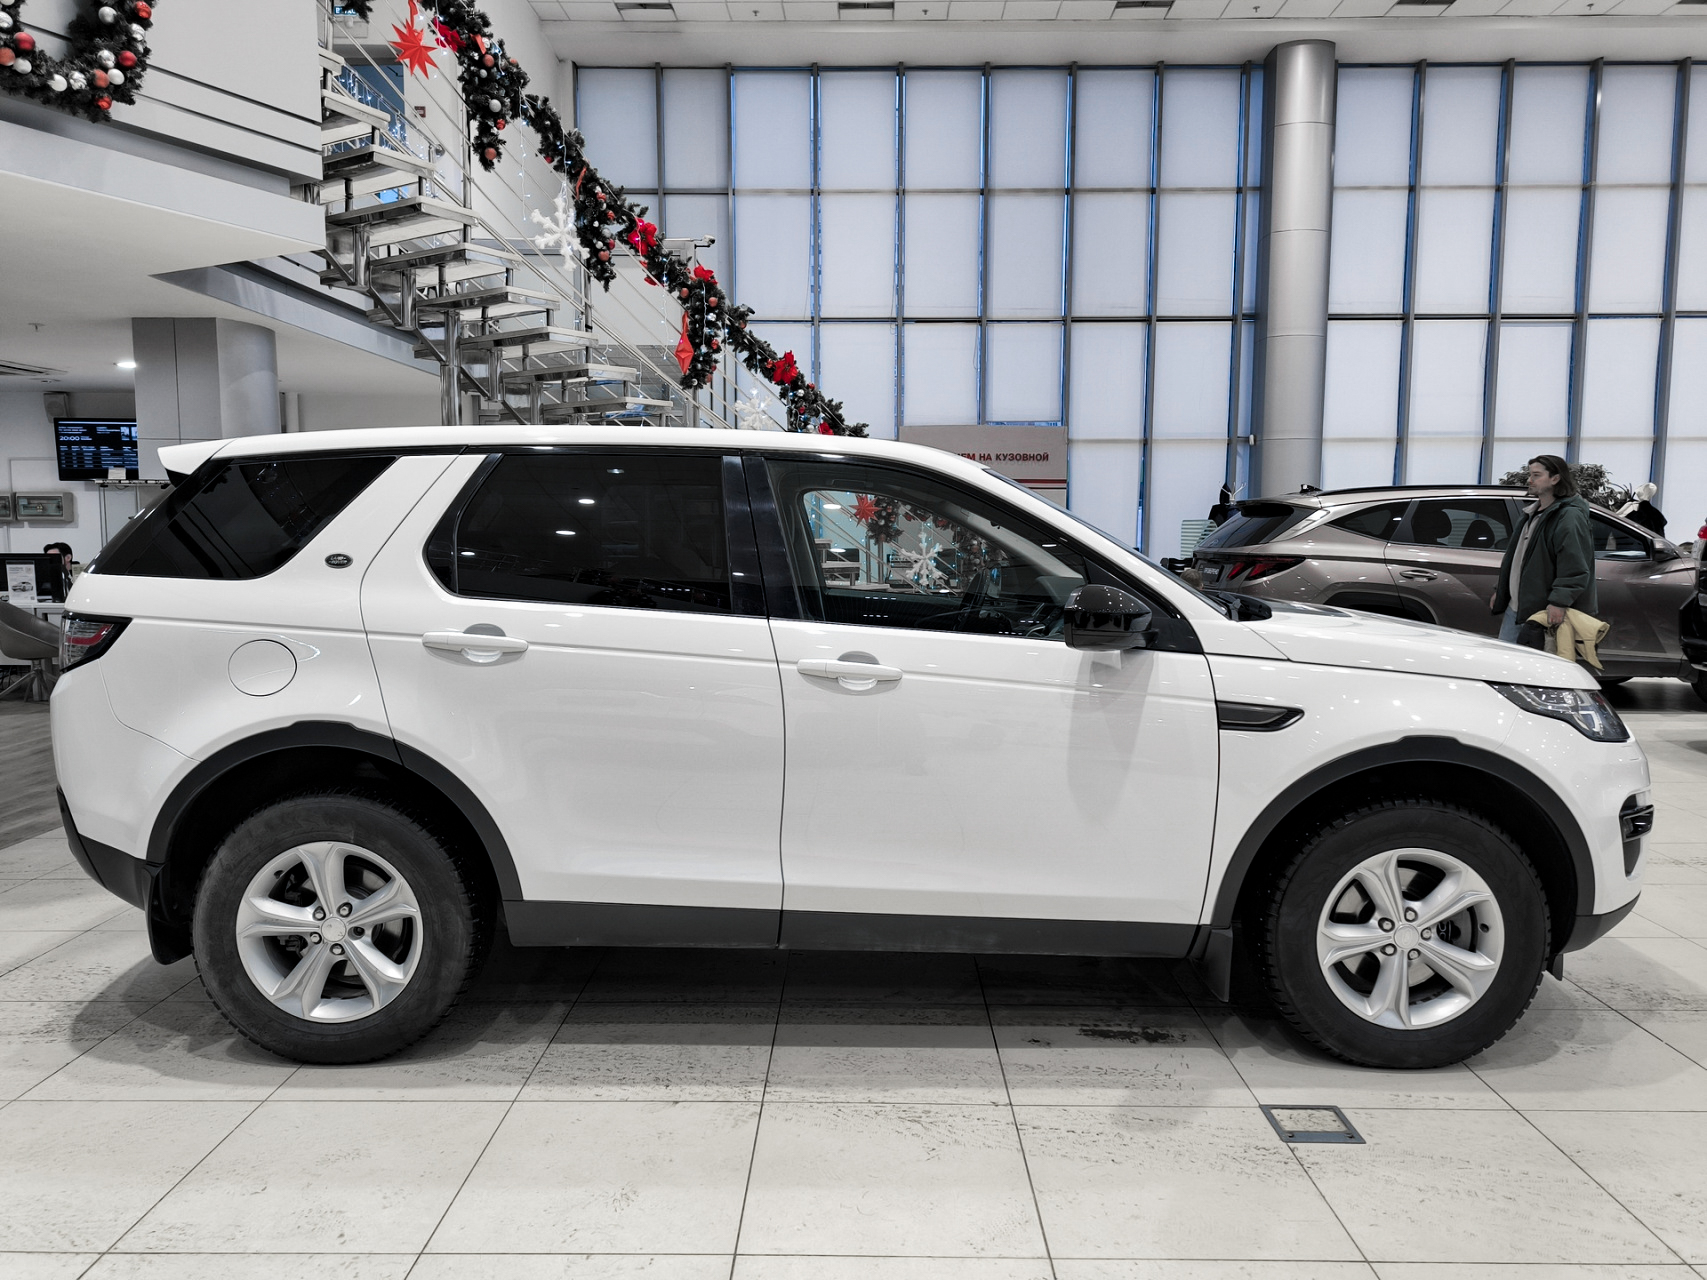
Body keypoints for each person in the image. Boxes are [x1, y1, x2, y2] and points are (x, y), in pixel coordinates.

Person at [1490, 454, 1598, 645]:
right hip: (1517, 608)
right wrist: (1502, 591)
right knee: (1508, 661)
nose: (1529, 480)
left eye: (1536, 475)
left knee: (1537, 663)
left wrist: (1559, 602)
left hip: (1543, 613)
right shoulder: (1531, 513)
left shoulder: (1569, 517)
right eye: (1530, 474)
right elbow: (1517, 559)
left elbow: (1574, 566)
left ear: (1555, 479)